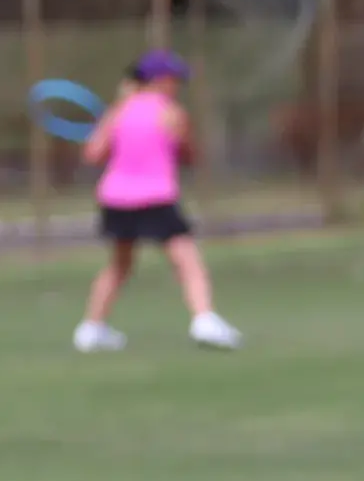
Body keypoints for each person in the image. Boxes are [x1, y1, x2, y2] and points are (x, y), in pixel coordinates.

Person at [72, 49, 243, 353]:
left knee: (120, 264)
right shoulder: (172, 113)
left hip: (115, 199)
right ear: (160, 80)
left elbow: (93, 154)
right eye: (174, 79)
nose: (177, 85)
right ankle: (204, 320)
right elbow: (189, 154)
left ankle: (91, 329)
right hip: (155, 197)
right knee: (188, 261)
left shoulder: (118, 112)